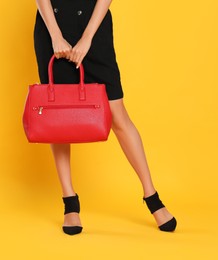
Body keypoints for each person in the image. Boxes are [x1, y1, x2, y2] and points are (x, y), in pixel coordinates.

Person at [34, 0, 177, 235]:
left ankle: (151, 196)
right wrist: (55, 35)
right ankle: (70, 202)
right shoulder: (53, 33)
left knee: (117, 113)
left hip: (94, 27)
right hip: (53, 28)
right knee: (57, 117)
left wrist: (88, 37)